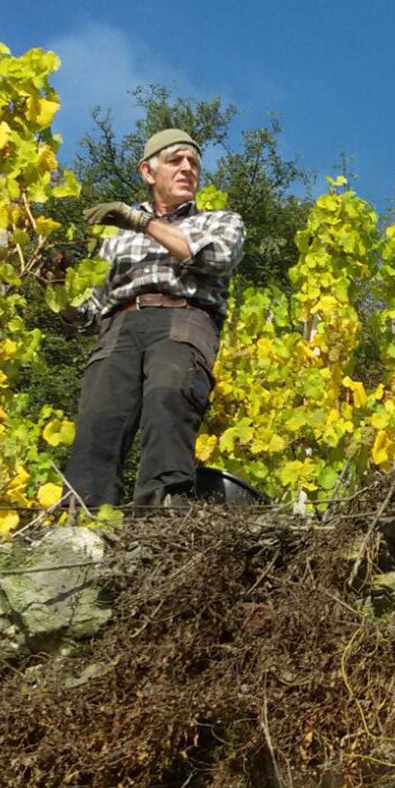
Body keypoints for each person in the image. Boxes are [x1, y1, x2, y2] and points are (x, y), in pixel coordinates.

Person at [63, 129, 245, 506]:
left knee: (169, 400)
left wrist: (138, 221)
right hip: (118, 326)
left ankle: (160, 523)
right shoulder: (113, 241)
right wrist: (55, 287)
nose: (187, 168)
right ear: (148, 171)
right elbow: (86, 315)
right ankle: (83, 523)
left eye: (193, 163)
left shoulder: (218, 221)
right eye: (176, 160)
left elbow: (215, 258)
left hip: (184, 319)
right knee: (99, 419)